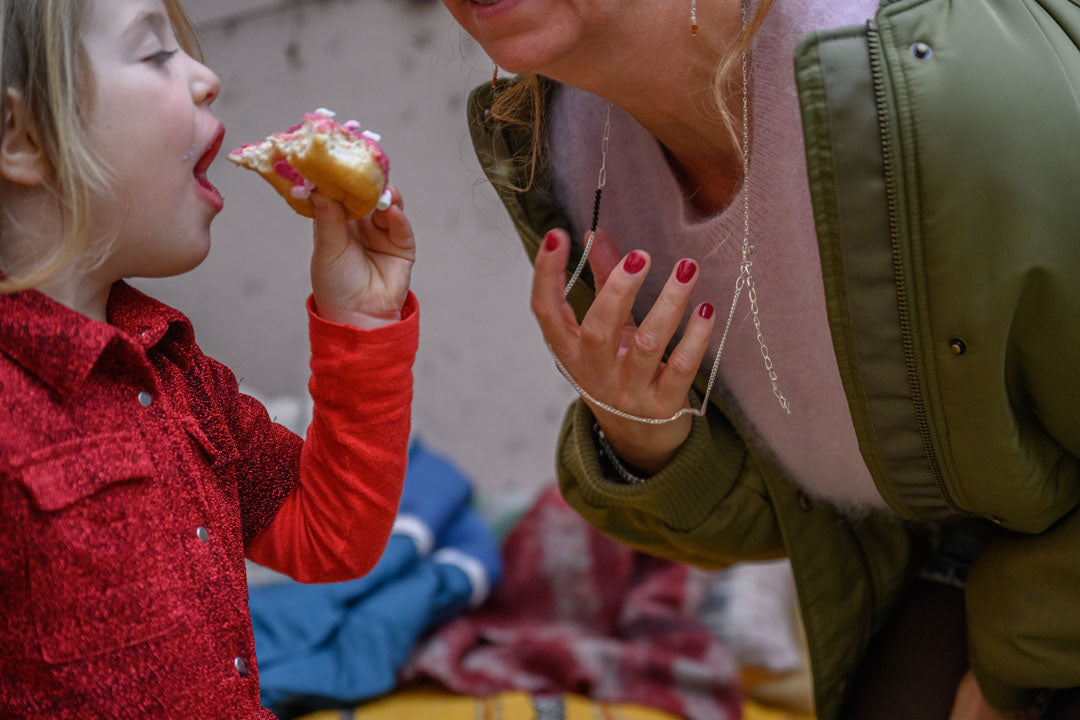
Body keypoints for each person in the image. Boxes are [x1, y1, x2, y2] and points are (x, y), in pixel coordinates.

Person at [440, 0, 1080, 718]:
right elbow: (802, 517)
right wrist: (650, 444)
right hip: (971, 547)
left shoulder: (949, 90)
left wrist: (1005, 672)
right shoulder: (561, 153)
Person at [0, 0, 419, 716]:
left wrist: (361, 320)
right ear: (26, 139)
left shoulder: (176, 371)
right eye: (156, 53)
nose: (207, 78)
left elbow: (330, 532)